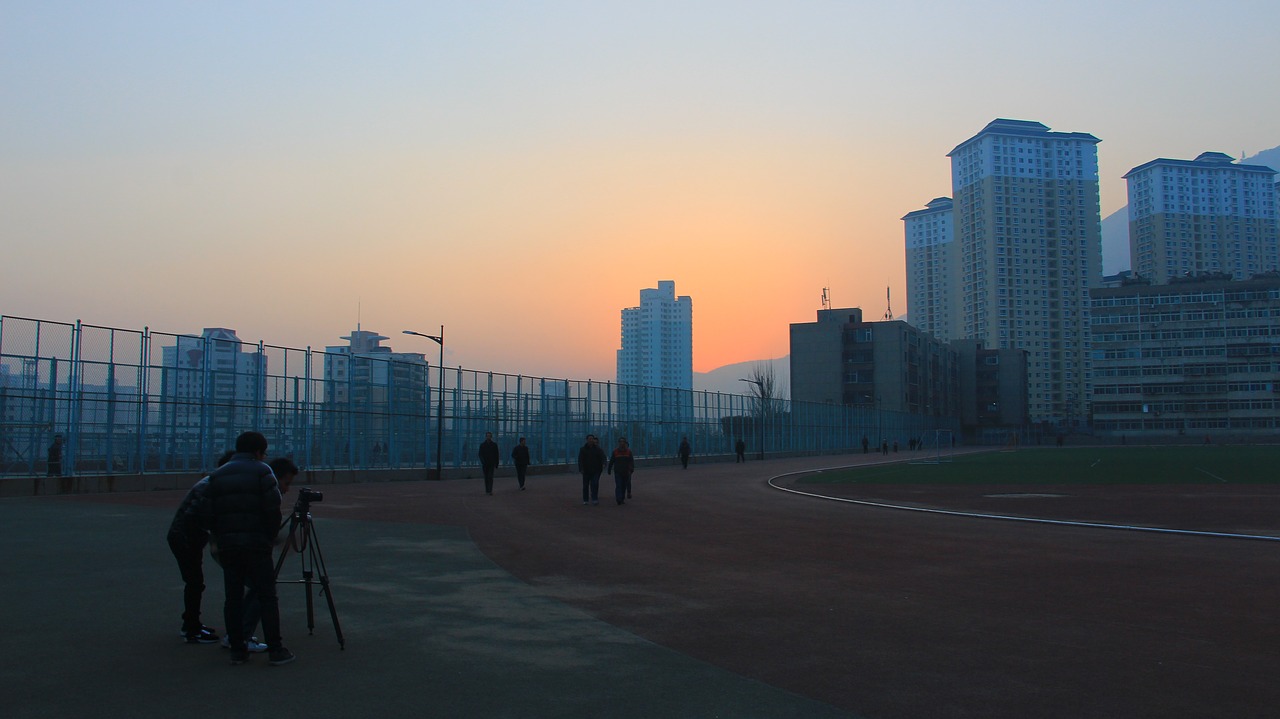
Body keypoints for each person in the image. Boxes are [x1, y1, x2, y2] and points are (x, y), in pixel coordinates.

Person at [204, 431, 295, 666]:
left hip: (229, 545)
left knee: (232, 598)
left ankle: (238, 649)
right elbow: (272, 510)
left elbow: (210, 514)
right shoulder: (263, 472)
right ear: (258, 452)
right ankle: (275, 649)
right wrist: (269, 537)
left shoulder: (217, 475)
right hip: (256, 544)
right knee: (266, 596)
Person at [228, 457, 298, 654]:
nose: (287, 489)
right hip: (248, 547)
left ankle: (237, 638)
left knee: (238, 593)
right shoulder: (266, 490)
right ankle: (247, 638)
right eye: (286, 483)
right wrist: (276, 539)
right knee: (263, 590)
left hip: (229, 545)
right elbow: (267, 522)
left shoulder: (239, 480)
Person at [167, 450, 233, 644]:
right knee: (195, 583)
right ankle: (191, 628)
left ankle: (192, 624)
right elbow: (201, 517)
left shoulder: (211, 482)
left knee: (195, 582)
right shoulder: (212, 486)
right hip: (185, 538)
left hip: (187, 537)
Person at [576, 434, 606, 506]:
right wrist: (581, 469)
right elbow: (580, 460)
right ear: (587, 440)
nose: (591, 440)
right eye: (589, 439)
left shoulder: (598, 449)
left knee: (594, 484)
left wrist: (604, 464)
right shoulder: (583, 449)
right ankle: (585, 499)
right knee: (585, 485)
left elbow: (603, 457)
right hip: (586, 470)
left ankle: (594, 498)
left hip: (596, 470)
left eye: (592, 439)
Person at [607, 437, 635, 505]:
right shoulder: (615, 451)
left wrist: (631, 469)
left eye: (623, 442)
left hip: (626, 472)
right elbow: (612, 461)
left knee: (624, 486)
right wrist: (609, 469)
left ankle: (622, 498)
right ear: (618, 443)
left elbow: (631, 461)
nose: (622, 443)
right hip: (618, 472)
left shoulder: (629, 452)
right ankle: (618, 499)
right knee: (618, 485)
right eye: (620, 441)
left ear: (625, 443)